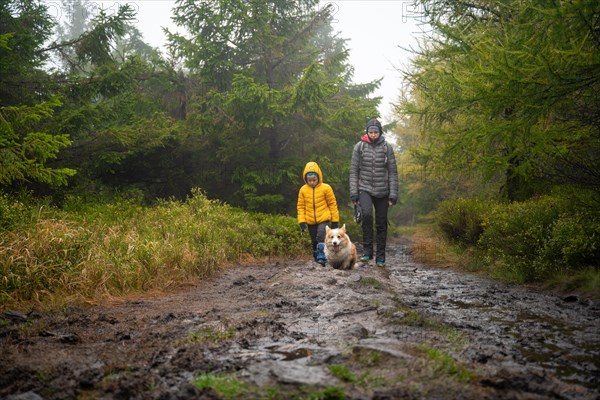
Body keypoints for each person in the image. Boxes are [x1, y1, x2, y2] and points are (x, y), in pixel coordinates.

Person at [349, 118, 399, 267]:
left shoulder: (387, 148)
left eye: (375, 132)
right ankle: (367, 251)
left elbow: (393, 172)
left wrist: (393, 194)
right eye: (370, 132)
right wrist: (354, 193)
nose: (373, 134)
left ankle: (381, 257)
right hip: (364, 188)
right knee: (367, 215)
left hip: (383, 191)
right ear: (367, 132)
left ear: (380, 132)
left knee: (381, 223)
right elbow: (353, 171)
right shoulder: (359, 147)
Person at [297, 161, 340, 265]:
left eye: (314, 180)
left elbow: (332, 204)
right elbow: (301, 207)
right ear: (305, 179)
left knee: (321, 234)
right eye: (309, 180)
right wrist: (302, 221)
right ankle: (316, 254)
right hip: (310, 220)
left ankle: (322, 254)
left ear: (319, 177)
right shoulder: (303, 190)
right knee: (313, 239)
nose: (312, 182)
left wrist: (335, 220)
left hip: (323, 218)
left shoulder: (326, 188)